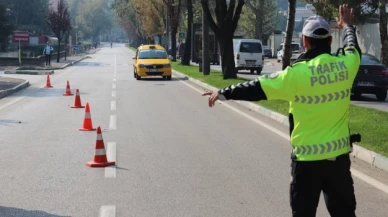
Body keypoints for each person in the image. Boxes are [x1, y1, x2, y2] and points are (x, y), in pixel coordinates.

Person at [202, 4, 360, 217]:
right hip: (338, 162)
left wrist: (223, 93)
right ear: (330, 41)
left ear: (304, 42)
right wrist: (348, 26)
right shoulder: (346, 66)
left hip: (306, 164)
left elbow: (256, 87)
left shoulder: (295, 74)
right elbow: (353, 48)